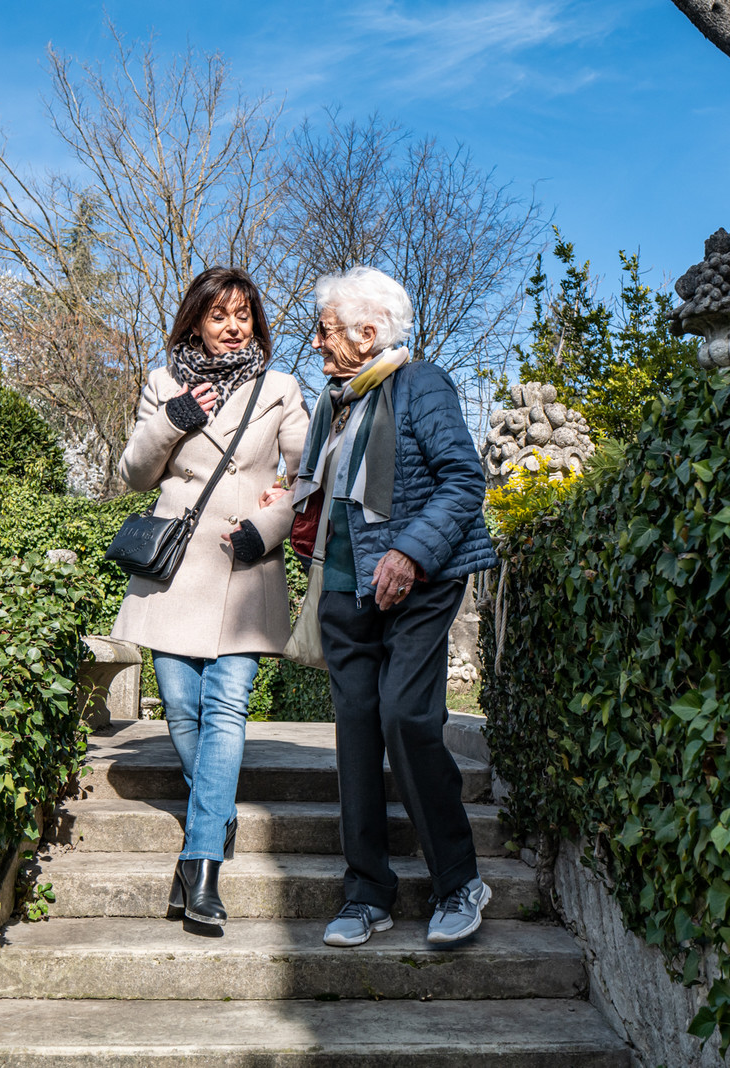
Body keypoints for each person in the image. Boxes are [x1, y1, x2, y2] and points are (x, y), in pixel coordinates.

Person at [287, 266, 498, 947]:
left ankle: (459, 880)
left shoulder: (420, 385)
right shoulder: (334, 403)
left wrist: (409, 554)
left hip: (420, 581)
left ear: (367, 332)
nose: (317, 344)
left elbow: (465, 481)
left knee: (407, 717)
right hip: (346, 588)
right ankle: (366, 892)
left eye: (325, 332)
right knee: (355, 734)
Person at [111, 266, 309, 932]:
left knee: (226, 705)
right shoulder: (164, 384)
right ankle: (216, 817)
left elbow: (305, 475)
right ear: (196, 320)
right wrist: (172, 421)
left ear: (256, 323)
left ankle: (200, 866)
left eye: (243, 315)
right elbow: (133, 474)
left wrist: (269, 525)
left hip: (245, 562)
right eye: (218, 315)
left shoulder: (280, 387)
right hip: (174, 569)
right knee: (182, 706)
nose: (231, 327)